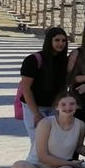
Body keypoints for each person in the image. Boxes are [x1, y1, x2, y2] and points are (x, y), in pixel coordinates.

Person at [18, 27, 68, 156]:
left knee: (53, 142)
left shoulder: (64, 61)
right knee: (37, 142)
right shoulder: (33, 60)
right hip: (33, 107)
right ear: (49, 41)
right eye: (57, 40)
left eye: (63, 40)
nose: (60, 43)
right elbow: (26, 88)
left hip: (53, 107)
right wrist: (35, 113)